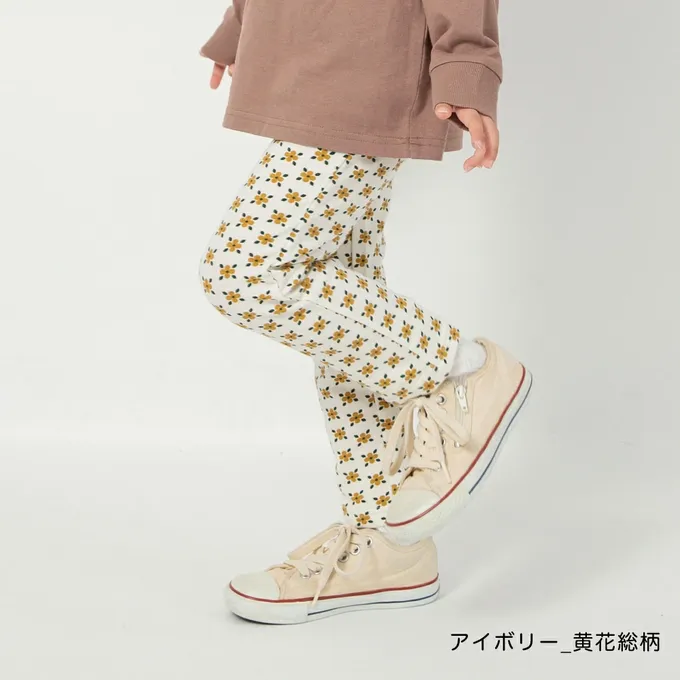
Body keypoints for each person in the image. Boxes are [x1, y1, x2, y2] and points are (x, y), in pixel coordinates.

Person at [197, 0, 531, 625]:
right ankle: (386, 546)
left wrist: (466, 60)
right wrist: (246, 22)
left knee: (245, 272)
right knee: (344, 317)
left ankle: (464, 372)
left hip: (361, 58)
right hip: (308, 48)